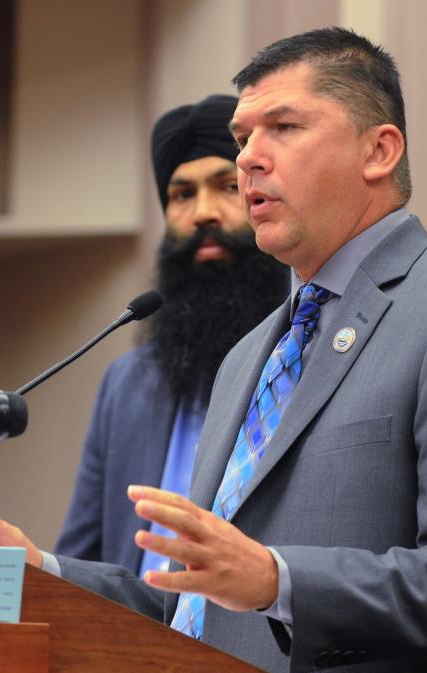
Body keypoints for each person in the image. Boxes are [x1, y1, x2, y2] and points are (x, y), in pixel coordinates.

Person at [0, 27, 427, 673]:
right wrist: (43, 571)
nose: (248, 158)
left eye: (282, 126)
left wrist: (277, 578)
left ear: (379, 150)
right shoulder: (249, 354)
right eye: (243, 137)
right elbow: (193, 609)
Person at [53, 94, 290, 576]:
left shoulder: (305, 354)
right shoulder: (126, 383)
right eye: (182, 195)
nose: (203, 213)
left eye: (227, 186)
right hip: (139, 645)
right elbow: (83, 553)